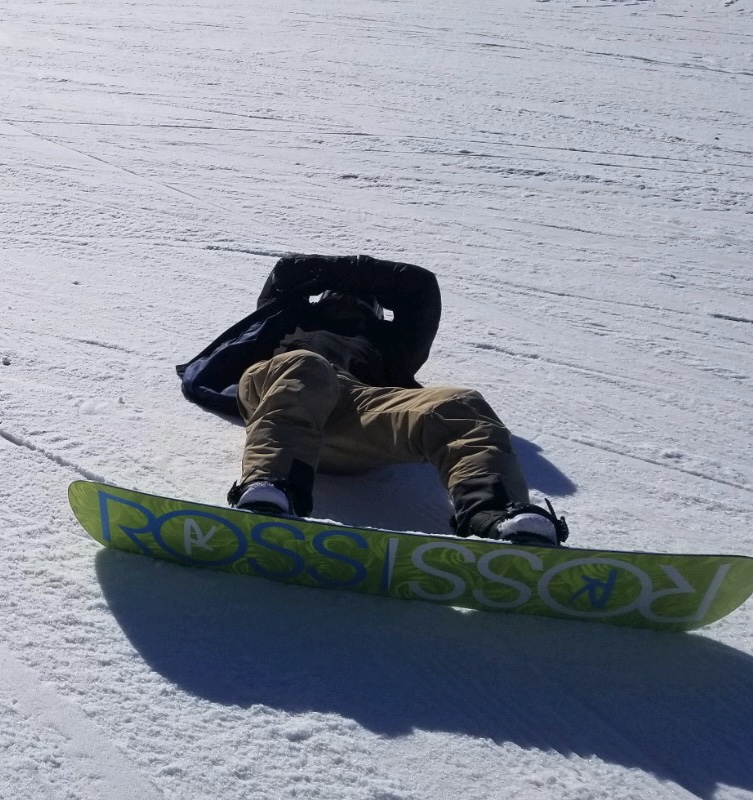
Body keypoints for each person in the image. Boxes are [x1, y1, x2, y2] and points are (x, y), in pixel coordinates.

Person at [177, 254, 568, 546]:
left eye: (359, 297)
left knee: (459, 403)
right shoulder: (285, 318)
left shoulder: (394, 342)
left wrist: (350, 277)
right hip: (284, 391)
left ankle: (494, 517)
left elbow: (419, 286)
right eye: (338, 293)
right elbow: (288, 271)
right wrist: (338, 280)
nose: (348, 299)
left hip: (362, 411)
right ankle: (269, 491)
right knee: (306, 366)